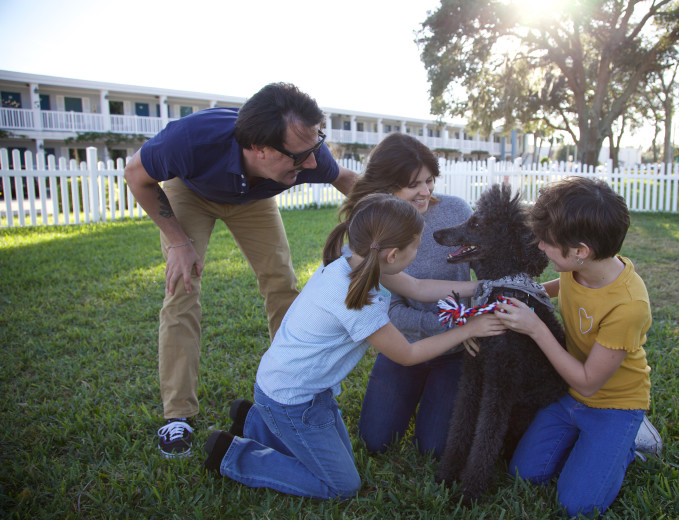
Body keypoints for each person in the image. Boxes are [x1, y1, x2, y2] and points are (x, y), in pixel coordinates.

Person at [202, 194, 505, 499]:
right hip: (292, 400)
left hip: (303, 390)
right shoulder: (359, 301)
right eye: (416, 245)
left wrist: (482, 287)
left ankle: (253, 419)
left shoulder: (355, 260)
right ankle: (233, 454)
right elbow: (408, 354)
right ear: (392, 255)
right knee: (342, 485)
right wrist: (470, 327)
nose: (419, 250)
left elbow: (417, 287)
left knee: (339, 459)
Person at [123, 83, 359, 458]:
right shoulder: (191, 140)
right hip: (191, 192)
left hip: (253, 197)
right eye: (301, 157)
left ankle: (295, 392)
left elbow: (347, 181)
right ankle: (177, 416)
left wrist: (404, 213)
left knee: (281, 283)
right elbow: (136, 175)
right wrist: (179, 242)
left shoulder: (307, 152)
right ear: (259, 149)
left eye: (317, 148)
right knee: (181, 289)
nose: (313, 163)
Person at [494, 176, 652, 517]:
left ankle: (628, 442)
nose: (540, 247)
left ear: (581, 251)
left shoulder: (628, 306)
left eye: (547, 242)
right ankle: (591, 448)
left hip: (613, 404)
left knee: (577, 505)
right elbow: (560, 285)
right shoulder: (579, 266)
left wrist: (536, 328)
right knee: (523, 475)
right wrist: (524, 288)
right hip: (569, 397)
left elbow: (587, 382)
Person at [352, 133, 473, 458]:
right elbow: (387, 312)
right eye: (413, 185)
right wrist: (453, 325)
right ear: (387, 186)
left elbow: (489, 276)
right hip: (402, 346)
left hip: (455, 351)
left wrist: (471, 326)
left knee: (434, 449)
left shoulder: (456, 211)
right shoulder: (375, 229)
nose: (425, 192)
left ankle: (437, 400)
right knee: (374, 442)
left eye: (429, 180)